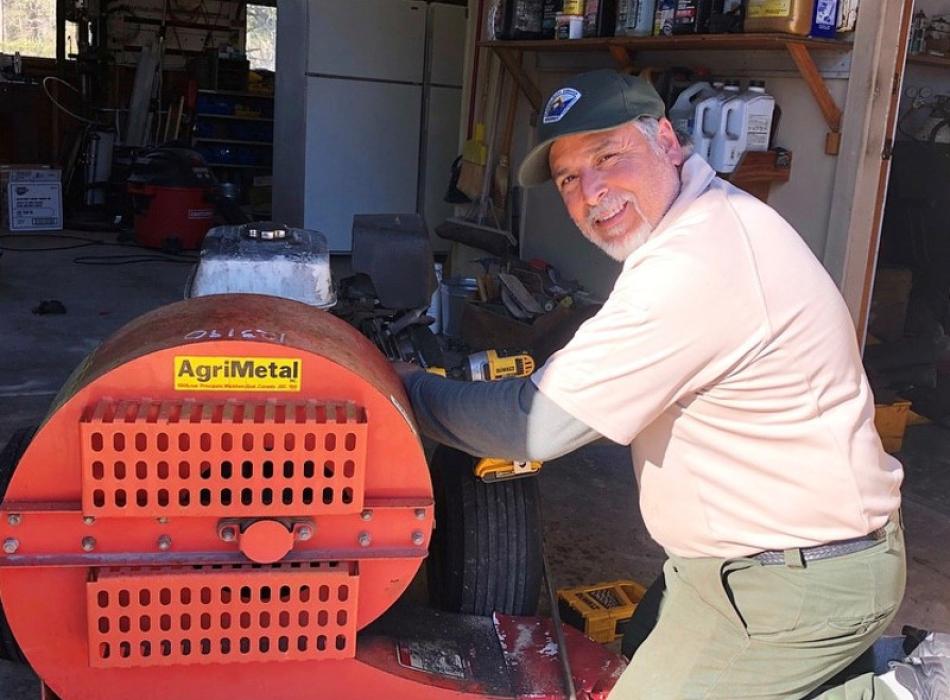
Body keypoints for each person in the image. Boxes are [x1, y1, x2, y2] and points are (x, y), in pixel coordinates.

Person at [395, 70, 946, 699]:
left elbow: (535, 425)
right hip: (753, 562)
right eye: (571, 178)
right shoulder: (703, 226)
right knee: (634, 653)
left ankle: (903, 690)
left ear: (665, 138)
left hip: (795, 580)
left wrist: (409, 390)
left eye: (608, 157)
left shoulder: (699, 258)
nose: (592, 192)